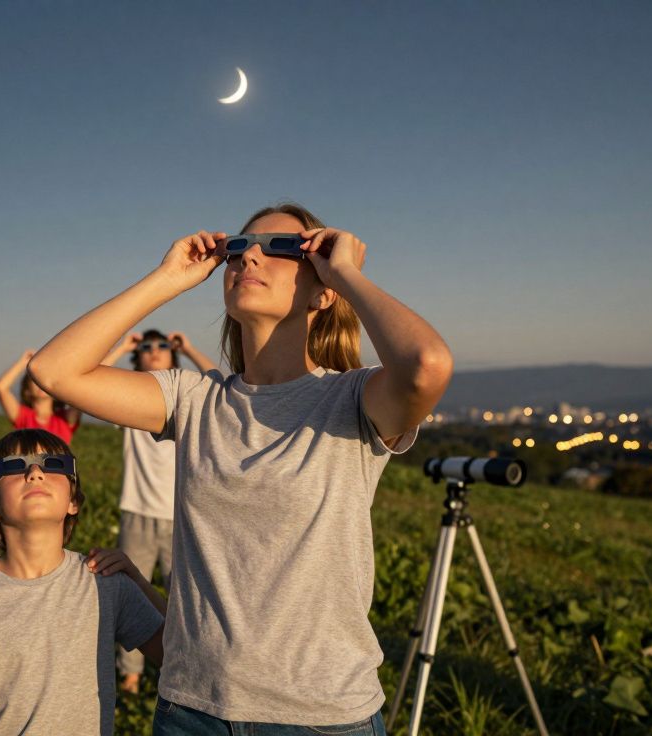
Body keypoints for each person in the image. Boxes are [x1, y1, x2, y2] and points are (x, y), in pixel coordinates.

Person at [29, 203, 452, 734]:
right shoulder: (192, 399)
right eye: (237, 247)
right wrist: (166, 280)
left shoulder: (351, 400)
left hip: (320, 717)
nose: (248, 254)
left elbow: (427, 366)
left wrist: (346, 273)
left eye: (280, 247)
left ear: (321, 289)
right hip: (191, 710)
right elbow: (53, 370)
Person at [0, 429, 167, 736]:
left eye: (54, 465)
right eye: (13, 466)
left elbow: (178, 657)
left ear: (73, 502)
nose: (35, 472)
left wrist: (139, 581)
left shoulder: (105, 584)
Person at [101, 329, 215, 694]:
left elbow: (220, 386)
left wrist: (189, 347)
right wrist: (123, 346)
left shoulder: (187, 398)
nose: (153, 352)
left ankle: (184, 668)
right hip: (136, 510)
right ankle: (130, 674)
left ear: (173, 355)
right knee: (129, 593)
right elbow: (93, 375)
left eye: (161, 346)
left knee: (182, 598)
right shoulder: (132, 397)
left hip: (181, 512)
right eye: (145, 348)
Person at [0, 349, 82, 444]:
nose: (41, 383)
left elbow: (79, 395)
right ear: (27, 390)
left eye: (45, 379)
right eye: (35, 380)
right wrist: (24, 363)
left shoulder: (64, 419)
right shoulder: (23, 416)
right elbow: (1, 388)